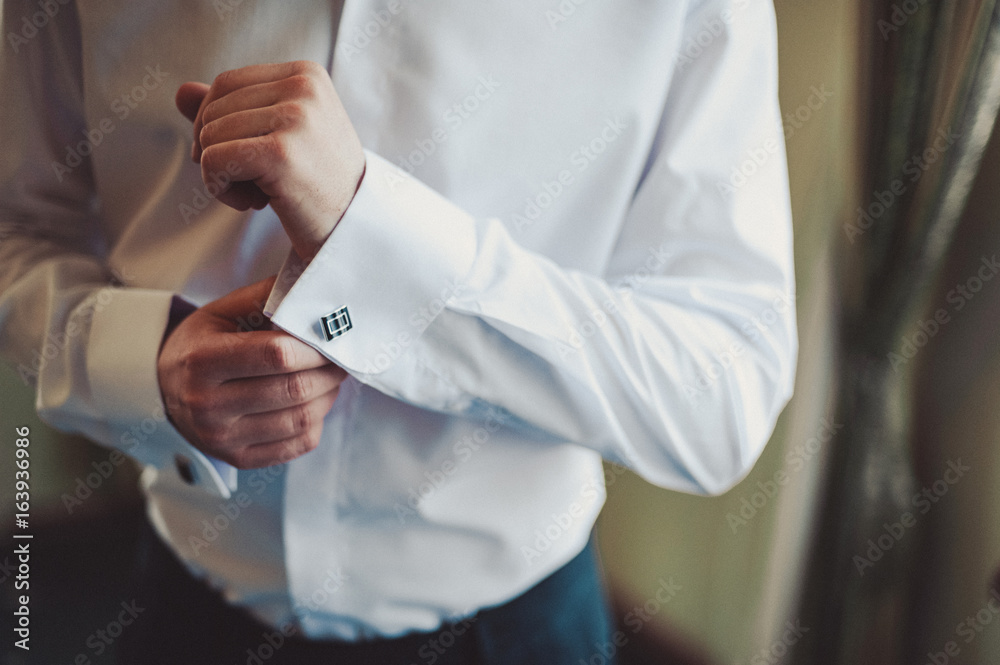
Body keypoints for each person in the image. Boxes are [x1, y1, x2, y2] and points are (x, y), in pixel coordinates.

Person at [0, 0, 797, 663]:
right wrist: (143, 363)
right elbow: (19, 225)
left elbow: (724, 388)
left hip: (518, 631)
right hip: (183, 600)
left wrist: (368, 237)